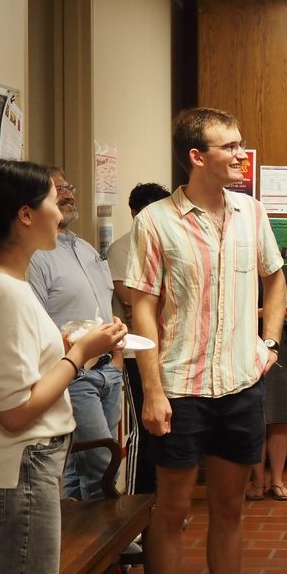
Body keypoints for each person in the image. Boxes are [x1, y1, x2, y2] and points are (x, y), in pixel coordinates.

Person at [125, 107, 286, 574]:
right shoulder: (155, 221)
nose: (242, 154)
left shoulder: (252, 213)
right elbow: (141, 309)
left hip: (241, 384)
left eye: (241, 144)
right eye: (231, 146)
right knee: (170, 510)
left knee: (230, 508)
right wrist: (151, 388)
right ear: (197, 157)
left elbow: (276, 283)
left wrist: (269, 344)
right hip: (179, 387)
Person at [0, 160, 125, 574]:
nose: (60, 210)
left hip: (8, 469)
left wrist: (69, 343)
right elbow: (15, 411)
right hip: (19, 470)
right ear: (25, 215)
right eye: (53, 200)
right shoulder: (6, 292)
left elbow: (20, 365)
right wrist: (79, 356)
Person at [28, 166, 123, 501]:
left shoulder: (84, 248)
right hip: (73, 375)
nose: (68, 194)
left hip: (108, 372)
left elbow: (105, 307)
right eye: (58, 190)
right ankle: (115, 541)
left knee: (81, 466)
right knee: (102, 461)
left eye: (69, 186)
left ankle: (81, 539)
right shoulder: (35, 258)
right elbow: (35, 325)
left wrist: (117, 363)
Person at [107, 181, 171, 494]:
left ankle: (159, 501)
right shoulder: (122, 248)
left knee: (167, 429)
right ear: (135, 214)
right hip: (135, 355)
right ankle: (139, 505)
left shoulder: (167, 244)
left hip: (167, 350)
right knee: (143, 432)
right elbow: (132, 301)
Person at [245, 266, 287, 501]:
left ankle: (277, 480)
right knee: (256, 420)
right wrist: (270, 312)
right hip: (249, 353)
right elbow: (234, 312)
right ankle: (257, 480)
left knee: (281, 418)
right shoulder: (244, 270)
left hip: (285, 355)